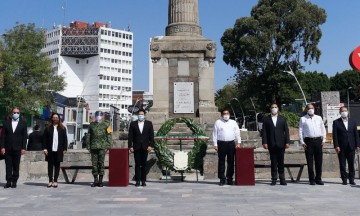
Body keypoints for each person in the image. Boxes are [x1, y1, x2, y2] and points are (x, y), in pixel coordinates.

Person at [262, 103, 290, 186]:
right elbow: (264, 132)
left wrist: (287, 142)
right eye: (272, 107)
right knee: (273, 162)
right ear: (270, 109)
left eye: (275, 107)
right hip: (271, 143)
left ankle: (282, 179)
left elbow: (286, 131)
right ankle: (274, 179)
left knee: (281, 162)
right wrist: (264, 142)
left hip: (281, 143)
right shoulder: (266, 119)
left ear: (278, 108)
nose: (274, 108)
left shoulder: (283, 119)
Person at [212, 109, 241, 186]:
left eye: (227, 113)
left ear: (229, 114)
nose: (226, 115)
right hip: (221, 144)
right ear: (221, 115)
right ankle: (222, 179)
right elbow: (214, 134)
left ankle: (230, 178)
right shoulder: (218, 122)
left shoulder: (233, 122)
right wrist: (215, 144)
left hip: (231, 143)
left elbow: (237, 132)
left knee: (231, 161)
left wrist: (238, 142)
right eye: (224, 113)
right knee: (221, 161)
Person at [299, 104, 326, 185]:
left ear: (314, 109)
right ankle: (311, 179)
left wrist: (324, 139)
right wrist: (302, 142)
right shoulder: (303, 119)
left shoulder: (319, 118)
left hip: (318, 140)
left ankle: (318, 178)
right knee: (310, 161)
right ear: (306, 110)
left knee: (319, 161)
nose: (311, 110)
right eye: (309, 108)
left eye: (312, 108)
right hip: (308, 141)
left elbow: (323, 129)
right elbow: (300, 131)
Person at [0, 107, 27, 188]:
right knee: (8, 165)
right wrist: (2, 147)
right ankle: (8, 181)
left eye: (17, 112)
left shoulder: (23, 123)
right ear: (12, 113)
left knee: (16, 165)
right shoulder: (6, 123)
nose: (16, 114)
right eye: (14, 112)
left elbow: (24, 136)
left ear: (19, 113)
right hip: (8, 148)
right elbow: (3, 136)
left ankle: (14, 181)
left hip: (18, 148)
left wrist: (23, 148)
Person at [332, 106, 360, 185]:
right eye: (342, 111)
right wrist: (336, 145)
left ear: (348, 111)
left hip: (351, 146)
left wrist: (358, 144)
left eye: (345, 110)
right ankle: (344, 179)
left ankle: (351, 179)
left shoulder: (353, 122)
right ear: (340, 112)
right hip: (341, 147)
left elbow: (356, 134)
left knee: (351, 164)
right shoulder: (336, 122)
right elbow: (335, 135)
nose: (344, 112)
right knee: (342, 164)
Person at [128, 109, 154, 187]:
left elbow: (151, 136)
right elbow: (130, 136)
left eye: (142, 115)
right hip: (136, 146)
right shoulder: (133, 124)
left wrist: (151, 145)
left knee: (144, 164)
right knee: (137, 164)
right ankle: (137, 180)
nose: (140, 116)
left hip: (145, 147)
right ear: (137, 115)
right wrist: (130, 146)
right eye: (139, 115)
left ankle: (143, 180)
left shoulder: (149, 124)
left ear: (144, 115)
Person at [86, 111, 112, 187]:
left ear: (103, 116)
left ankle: (100, 181)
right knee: (94, 164)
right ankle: (95, 180)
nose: (99, 116)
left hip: (102, 147)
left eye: (100, 115)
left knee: (101, 163)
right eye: (97, 115)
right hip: (93, 147)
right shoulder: (91, 125)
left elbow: (109, 135)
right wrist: (88, 146)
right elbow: (88, 136)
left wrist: (108, 145)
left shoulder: (107, 125)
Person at [42, 113, 68, 188]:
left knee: (57, 165)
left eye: (57, 117)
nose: (55, 119)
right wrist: (45, 149)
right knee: (50, 165)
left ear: (59, 119)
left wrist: (65, 148)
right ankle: (50, 180)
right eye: (54, 117)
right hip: (50, 150)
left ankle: (55, 181)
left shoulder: (62, 128)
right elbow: (44, 139)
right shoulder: (48, 128)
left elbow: (65, 139)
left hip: (59, 150)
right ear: (52, 118)